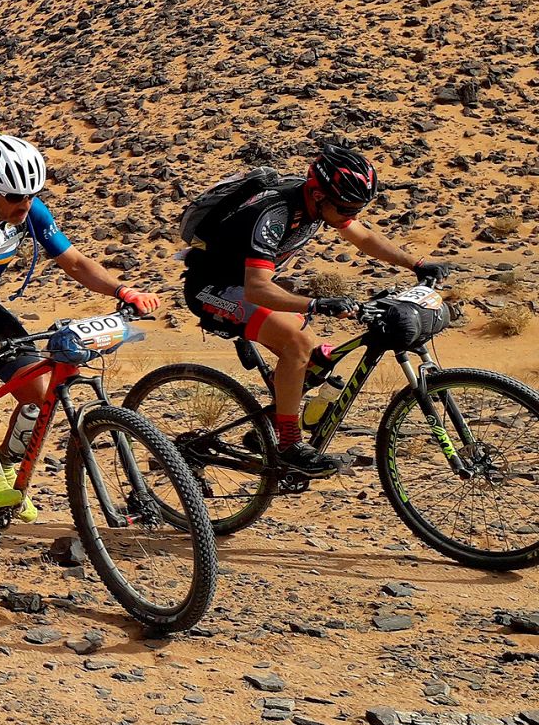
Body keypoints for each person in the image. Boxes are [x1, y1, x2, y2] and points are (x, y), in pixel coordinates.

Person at [0, 134, 161, 515]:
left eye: (32, 195)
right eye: (15, 197)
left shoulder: (30, 211)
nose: (25, 205)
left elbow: (74, 262)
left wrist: (122, 290)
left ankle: (7, 468)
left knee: (39, 392)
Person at [181, 142, 450, 476]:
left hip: (246, 285)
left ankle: (269, 427)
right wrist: (317, 304)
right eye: (346, 209)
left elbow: (364, 238)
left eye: (357, 208)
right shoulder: (275, 214)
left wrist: (417, 263)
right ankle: (289, 444)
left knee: (314, 354)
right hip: (213, 290)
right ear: (319, 195)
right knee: (295, 342)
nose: (351, 216)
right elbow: (257, 288)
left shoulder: (319, 203)